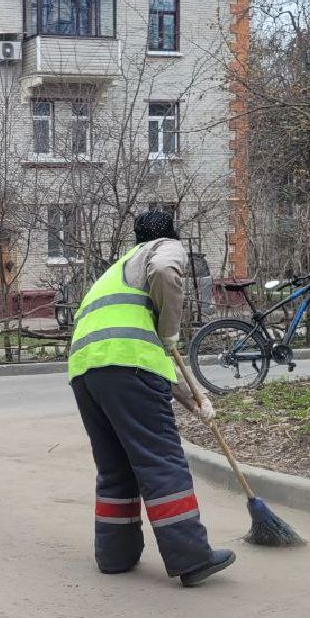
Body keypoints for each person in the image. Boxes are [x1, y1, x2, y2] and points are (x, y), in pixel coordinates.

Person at [67, 208, 235, 587]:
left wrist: (193, 401)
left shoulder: (116, 271)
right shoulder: (164, 249)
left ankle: (115, 556)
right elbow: (163, 280)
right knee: (161, 463)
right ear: (171, 235)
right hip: (127, 368)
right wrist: (171, 327)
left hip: (86, 371)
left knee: (115, 468)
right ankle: (192, 558)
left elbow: (137, 350)